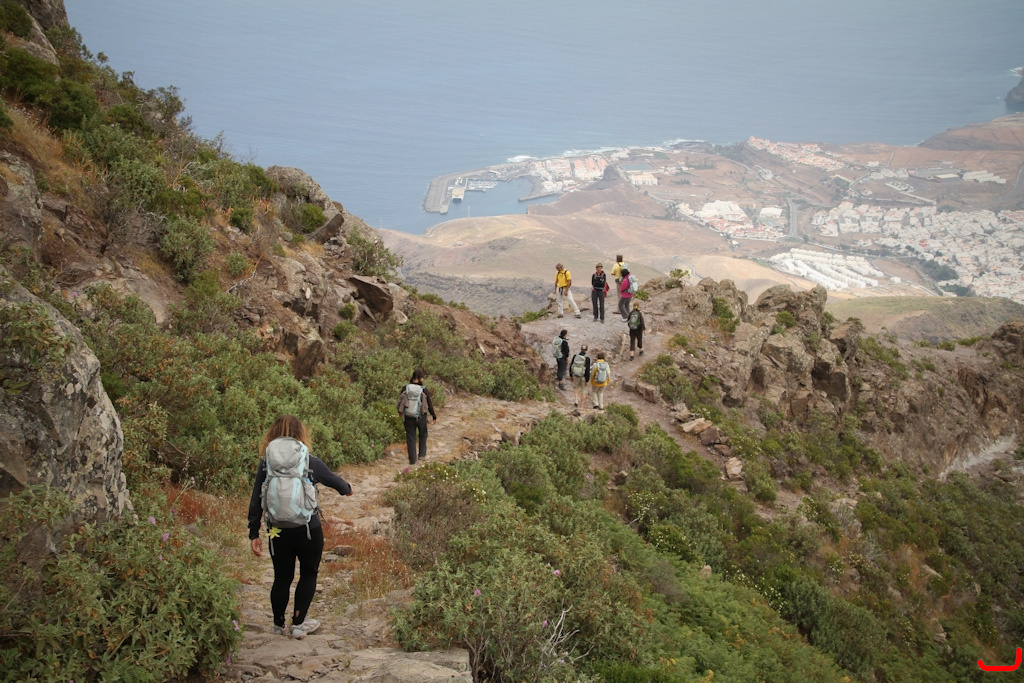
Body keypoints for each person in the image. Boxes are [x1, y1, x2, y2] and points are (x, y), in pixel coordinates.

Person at [248, 415, 353, 639]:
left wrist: (253, 533)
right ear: (300, 433)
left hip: (277, 530)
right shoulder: (309, 461)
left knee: (281, 577)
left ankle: (278, 625)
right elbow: (338, 484)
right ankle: (298, 624)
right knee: (308, 574)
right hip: (308, 528)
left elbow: (256, 499)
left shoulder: (266, 463)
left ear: (273, 433)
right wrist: (347, 488)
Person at [396, 369, 438, 465]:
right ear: (420, 378)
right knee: (423, 434)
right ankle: (422, 455)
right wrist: (433, 416)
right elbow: (429, 404)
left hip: (408, 416)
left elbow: (400, 401)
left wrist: (400, 412)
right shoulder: (423, 390)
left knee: (411, 437)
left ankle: (412, 459)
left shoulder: (406, 388)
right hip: (421, 416)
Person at [568, 344, 591, 408]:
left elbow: (571, 366)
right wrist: (587, 380)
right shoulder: (587, 358)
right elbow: (587, 369)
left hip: (575, 375)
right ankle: (581, 406)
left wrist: (571, 375)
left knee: (576, 388)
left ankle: (576, 400)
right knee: (583, 391)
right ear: (586, 350)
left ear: (581, 349)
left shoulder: (575, 356)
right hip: (583, 376)